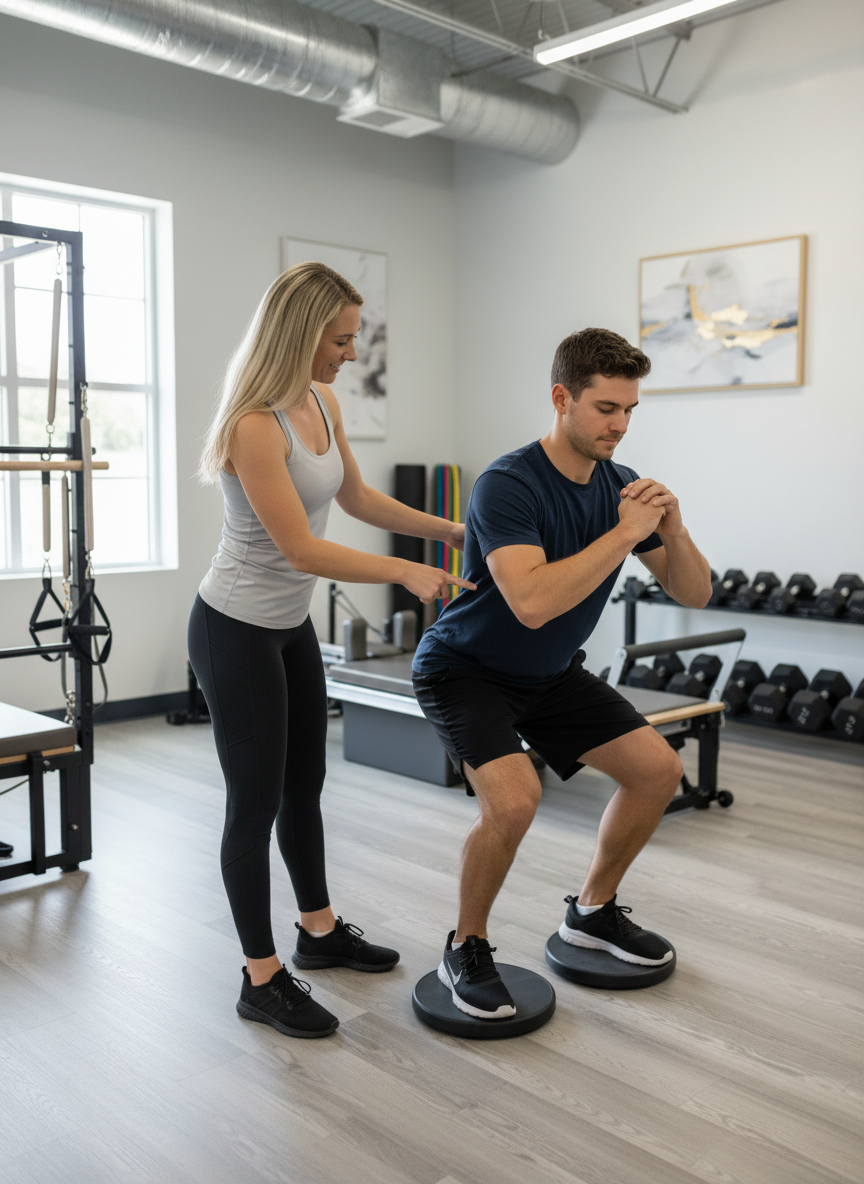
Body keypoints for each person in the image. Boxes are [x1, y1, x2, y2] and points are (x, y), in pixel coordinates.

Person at [189, 262, 475, 1039]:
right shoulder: (253, 423)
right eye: (341, 338)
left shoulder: (321, 401)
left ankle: (317, 932)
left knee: (304, 786)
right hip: (235, 628)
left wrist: (445, 530)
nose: (350, 352)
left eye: (354, 339)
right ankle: (260, 977)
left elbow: (356, 498)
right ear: (302, 332)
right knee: (251, 805)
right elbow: (303, 548)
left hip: (288, 629)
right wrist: (407, 570)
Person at [412, 327, 712, 1020]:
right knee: (514, 802)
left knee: (658, 771)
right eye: (606, 407)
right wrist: (625, 534)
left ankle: (592, 912)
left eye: (630, 409)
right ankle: (466, 944)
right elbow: (534, 600)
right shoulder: (507, 484)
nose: (620, 424)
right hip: (467, 669)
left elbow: (694, 593)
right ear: (561, 398)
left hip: (547, 673)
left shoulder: (621, 489)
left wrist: (674, 528)